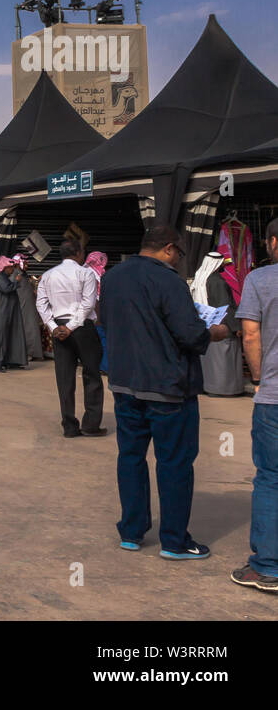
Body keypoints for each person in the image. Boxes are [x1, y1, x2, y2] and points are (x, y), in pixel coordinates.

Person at [101, 223, 230, 560]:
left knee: (130, 458)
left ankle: (131, 532)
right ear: (170, 249)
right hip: (168, 388)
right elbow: (192, 335)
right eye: (179, 254)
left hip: (124, 383)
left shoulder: (113, 278)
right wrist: (214, 331)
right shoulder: (168, 280)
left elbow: (107, 321)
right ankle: (174, 541)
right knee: (174, 463)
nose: (178, 261)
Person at [234, 218, 278, 591]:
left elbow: (250, 335)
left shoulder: (259, 281)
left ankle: (267, 567)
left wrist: (259, 379)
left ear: (273, 241)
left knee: (271, 478)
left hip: (275, 398)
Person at [37, 240, 104, 436]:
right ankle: (91, 425)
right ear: (77, 253)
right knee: (91, 374)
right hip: (82, 328)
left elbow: (41, 305)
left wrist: (54, 327)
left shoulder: (48, 276)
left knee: (64, 377)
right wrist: (71, 326)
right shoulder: (86, 273)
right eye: (83, 251)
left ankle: (69, 426)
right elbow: (88, 303)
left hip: (59, 329)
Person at [193, 251, 246, 397]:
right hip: (223, 327)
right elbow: (226, 306)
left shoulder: (200, 279)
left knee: (209, 360)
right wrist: (236, 327)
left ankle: (209, 387)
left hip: (206, 326)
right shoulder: (218, 282)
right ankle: (225, 390)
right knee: (224, 361)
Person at [0, 258, 27, 372]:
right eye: (11, 268)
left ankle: (10, 361)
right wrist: (17, 281)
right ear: (5, 267)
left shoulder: (4, 277)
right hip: (0, 312)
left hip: (7, 311)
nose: (12, 270)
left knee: (10, 336)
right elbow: (6, 288)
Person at [14, 256, 45, 361]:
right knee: (26, 330)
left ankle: (31, 352)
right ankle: (25, 353)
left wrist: (36, 282)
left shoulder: (24, 275)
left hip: (29, 307)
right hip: (22, 308)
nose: (27, 266)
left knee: (31, 329)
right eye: (25, 264)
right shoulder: (15, 275)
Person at [85, 250, 110, 372]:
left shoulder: (82, 272)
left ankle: (94, 366)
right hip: (97, 310)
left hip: (86, 312)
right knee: (103, 339)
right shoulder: (98, 274)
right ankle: (104, 367)